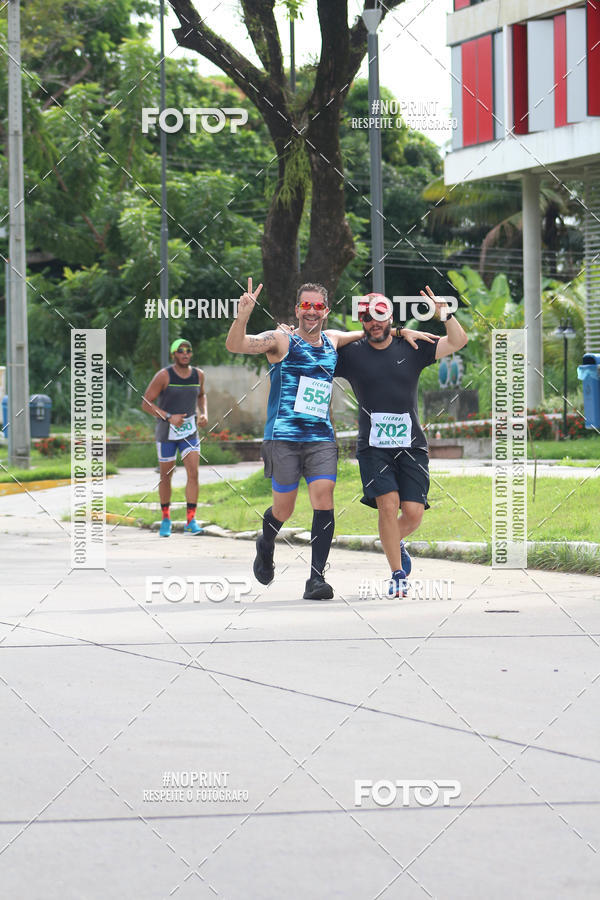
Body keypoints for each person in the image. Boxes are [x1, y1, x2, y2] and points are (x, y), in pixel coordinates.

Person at [226, 278, 432, 600]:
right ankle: (265, 543)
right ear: (297, 309)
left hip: (321, 437)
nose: (311, 311)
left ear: (326, 310)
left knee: (324, 498)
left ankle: (316, 579)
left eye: (317, 306)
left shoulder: (333, 340)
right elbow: (237, 345)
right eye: (305, 305)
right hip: (283, 437)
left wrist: (400, 331)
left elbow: (371, 333)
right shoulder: (282, 341)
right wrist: (243, 316)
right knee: (285, 507)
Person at [334, 287, 468, 598]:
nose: (373, 322)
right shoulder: (351, 355)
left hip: (412, 443)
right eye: (367, 317)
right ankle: (397, 574)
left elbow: (458, 341)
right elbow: (326, 339)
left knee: (413, 513)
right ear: (361, 321)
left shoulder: (412, 346)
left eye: (380, 315)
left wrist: (443, 313)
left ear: (390, 316)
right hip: (373, 445)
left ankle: (394, 540)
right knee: (388, 506)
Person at [141, 338, 208, 537]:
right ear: (174, 354)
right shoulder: (164, 375)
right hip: (166, 434)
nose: (185, 353)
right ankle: (166, 519)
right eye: (180, 350)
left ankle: (190, 520)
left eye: (188, 350)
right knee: (166, 476)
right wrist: (169, 417)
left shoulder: (199, 374)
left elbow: (201, 395)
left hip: (189, 433)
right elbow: (146, 403)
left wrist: (203, 413)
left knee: (193, 473)